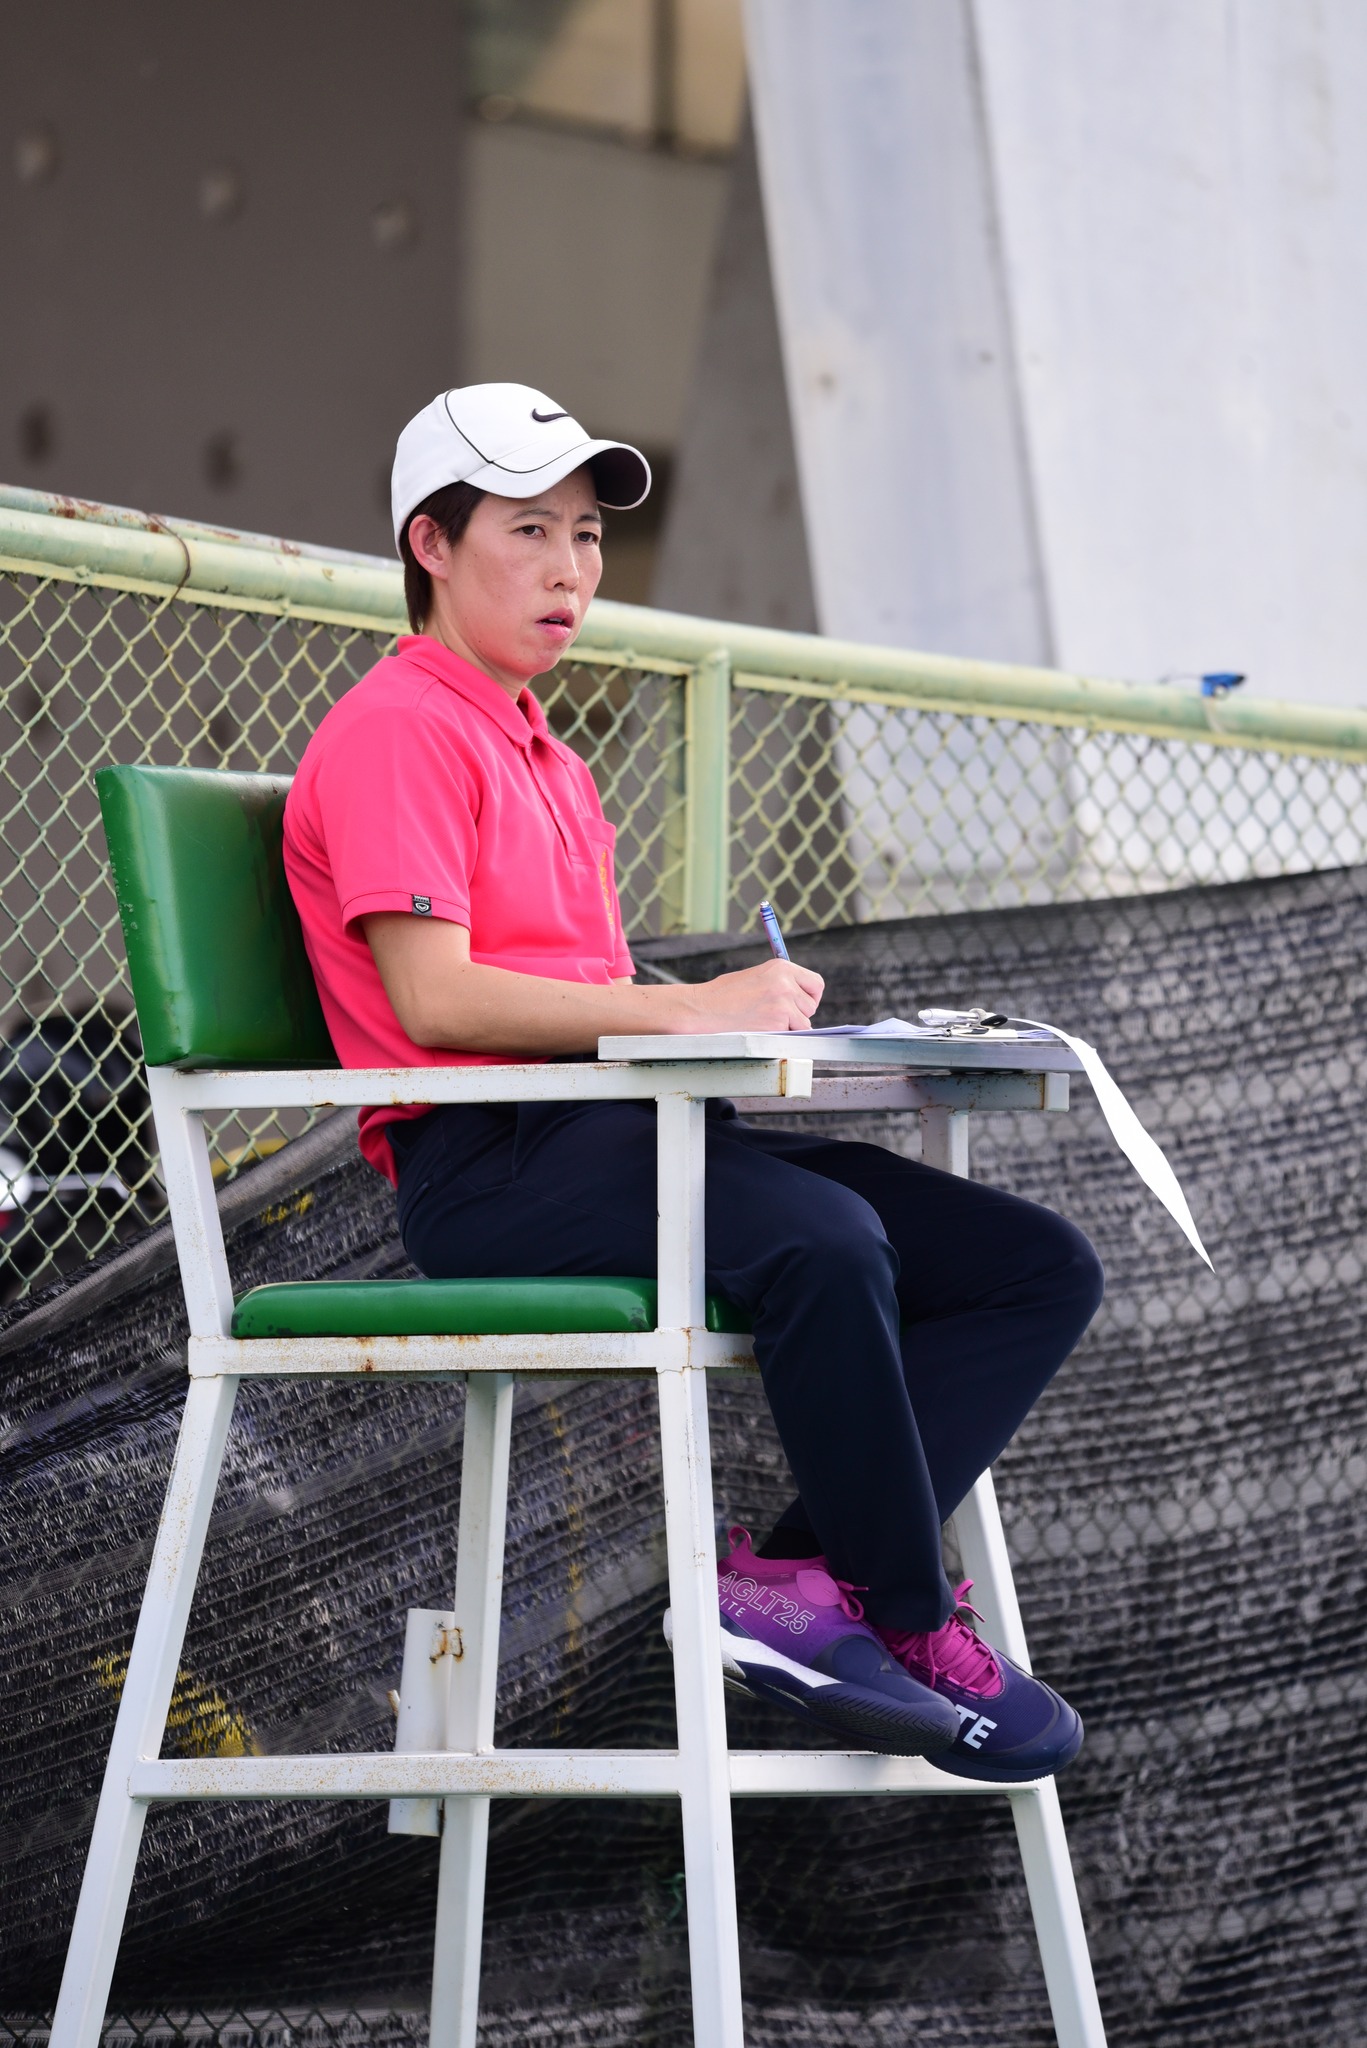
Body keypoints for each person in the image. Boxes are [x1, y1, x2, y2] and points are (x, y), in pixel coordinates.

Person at [284, 383, 1105, 1780]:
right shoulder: (399, 728)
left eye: (589, 536)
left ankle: (792, 1585)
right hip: (491, 1171)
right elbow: (435, 997)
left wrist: (751, 1035)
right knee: (826, 1241)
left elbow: (590, 1005)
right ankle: (907, 1622)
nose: (570, 569)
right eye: (530, 531)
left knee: (1033, 1267)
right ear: (430, 543)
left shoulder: (550, 755)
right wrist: (689, 1009)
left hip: (623, 1135)